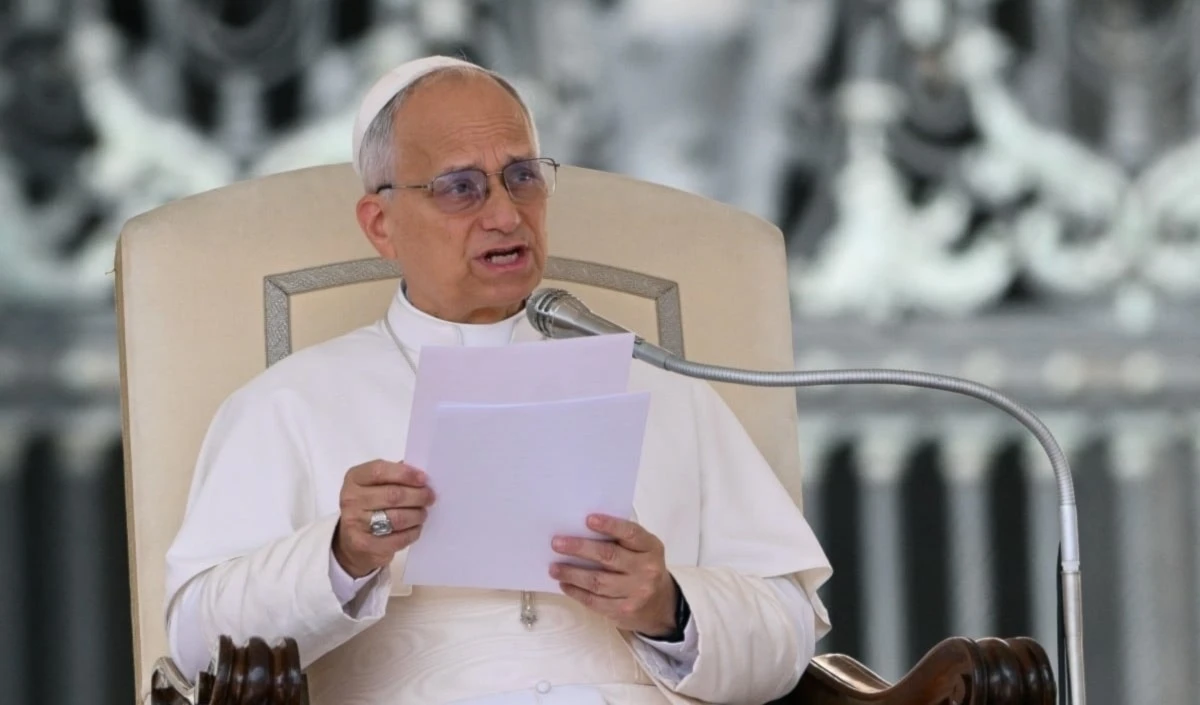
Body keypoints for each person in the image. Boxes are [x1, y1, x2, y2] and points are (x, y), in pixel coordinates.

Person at [164, 55, 832, 705]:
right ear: (381, 225)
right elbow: (198, 644)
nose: (507, 214)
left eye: (522, 176)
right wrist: (341, 555)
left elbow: (787, 632)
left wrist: (669, 605)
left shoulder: (663, 389)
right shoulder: (289, 402)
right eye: (460, 187)